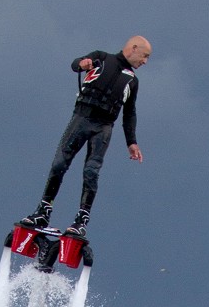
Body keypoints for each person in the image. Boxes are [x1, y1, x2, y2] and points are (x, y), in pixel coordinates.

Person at [21, 36, 151, 238]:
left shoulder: (132, 81)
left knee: (91, 172)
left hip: (103, 128)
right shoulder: (101, 58)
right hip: (81, 119)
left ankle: (81, 220)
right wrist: (82, 64)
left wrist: (131, 142)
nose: (145, 62)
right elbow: (75, 64)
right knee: (59, 164)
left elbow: (129, 114)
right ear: (134, 48)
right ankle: (43, 212)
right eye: (145, 56)